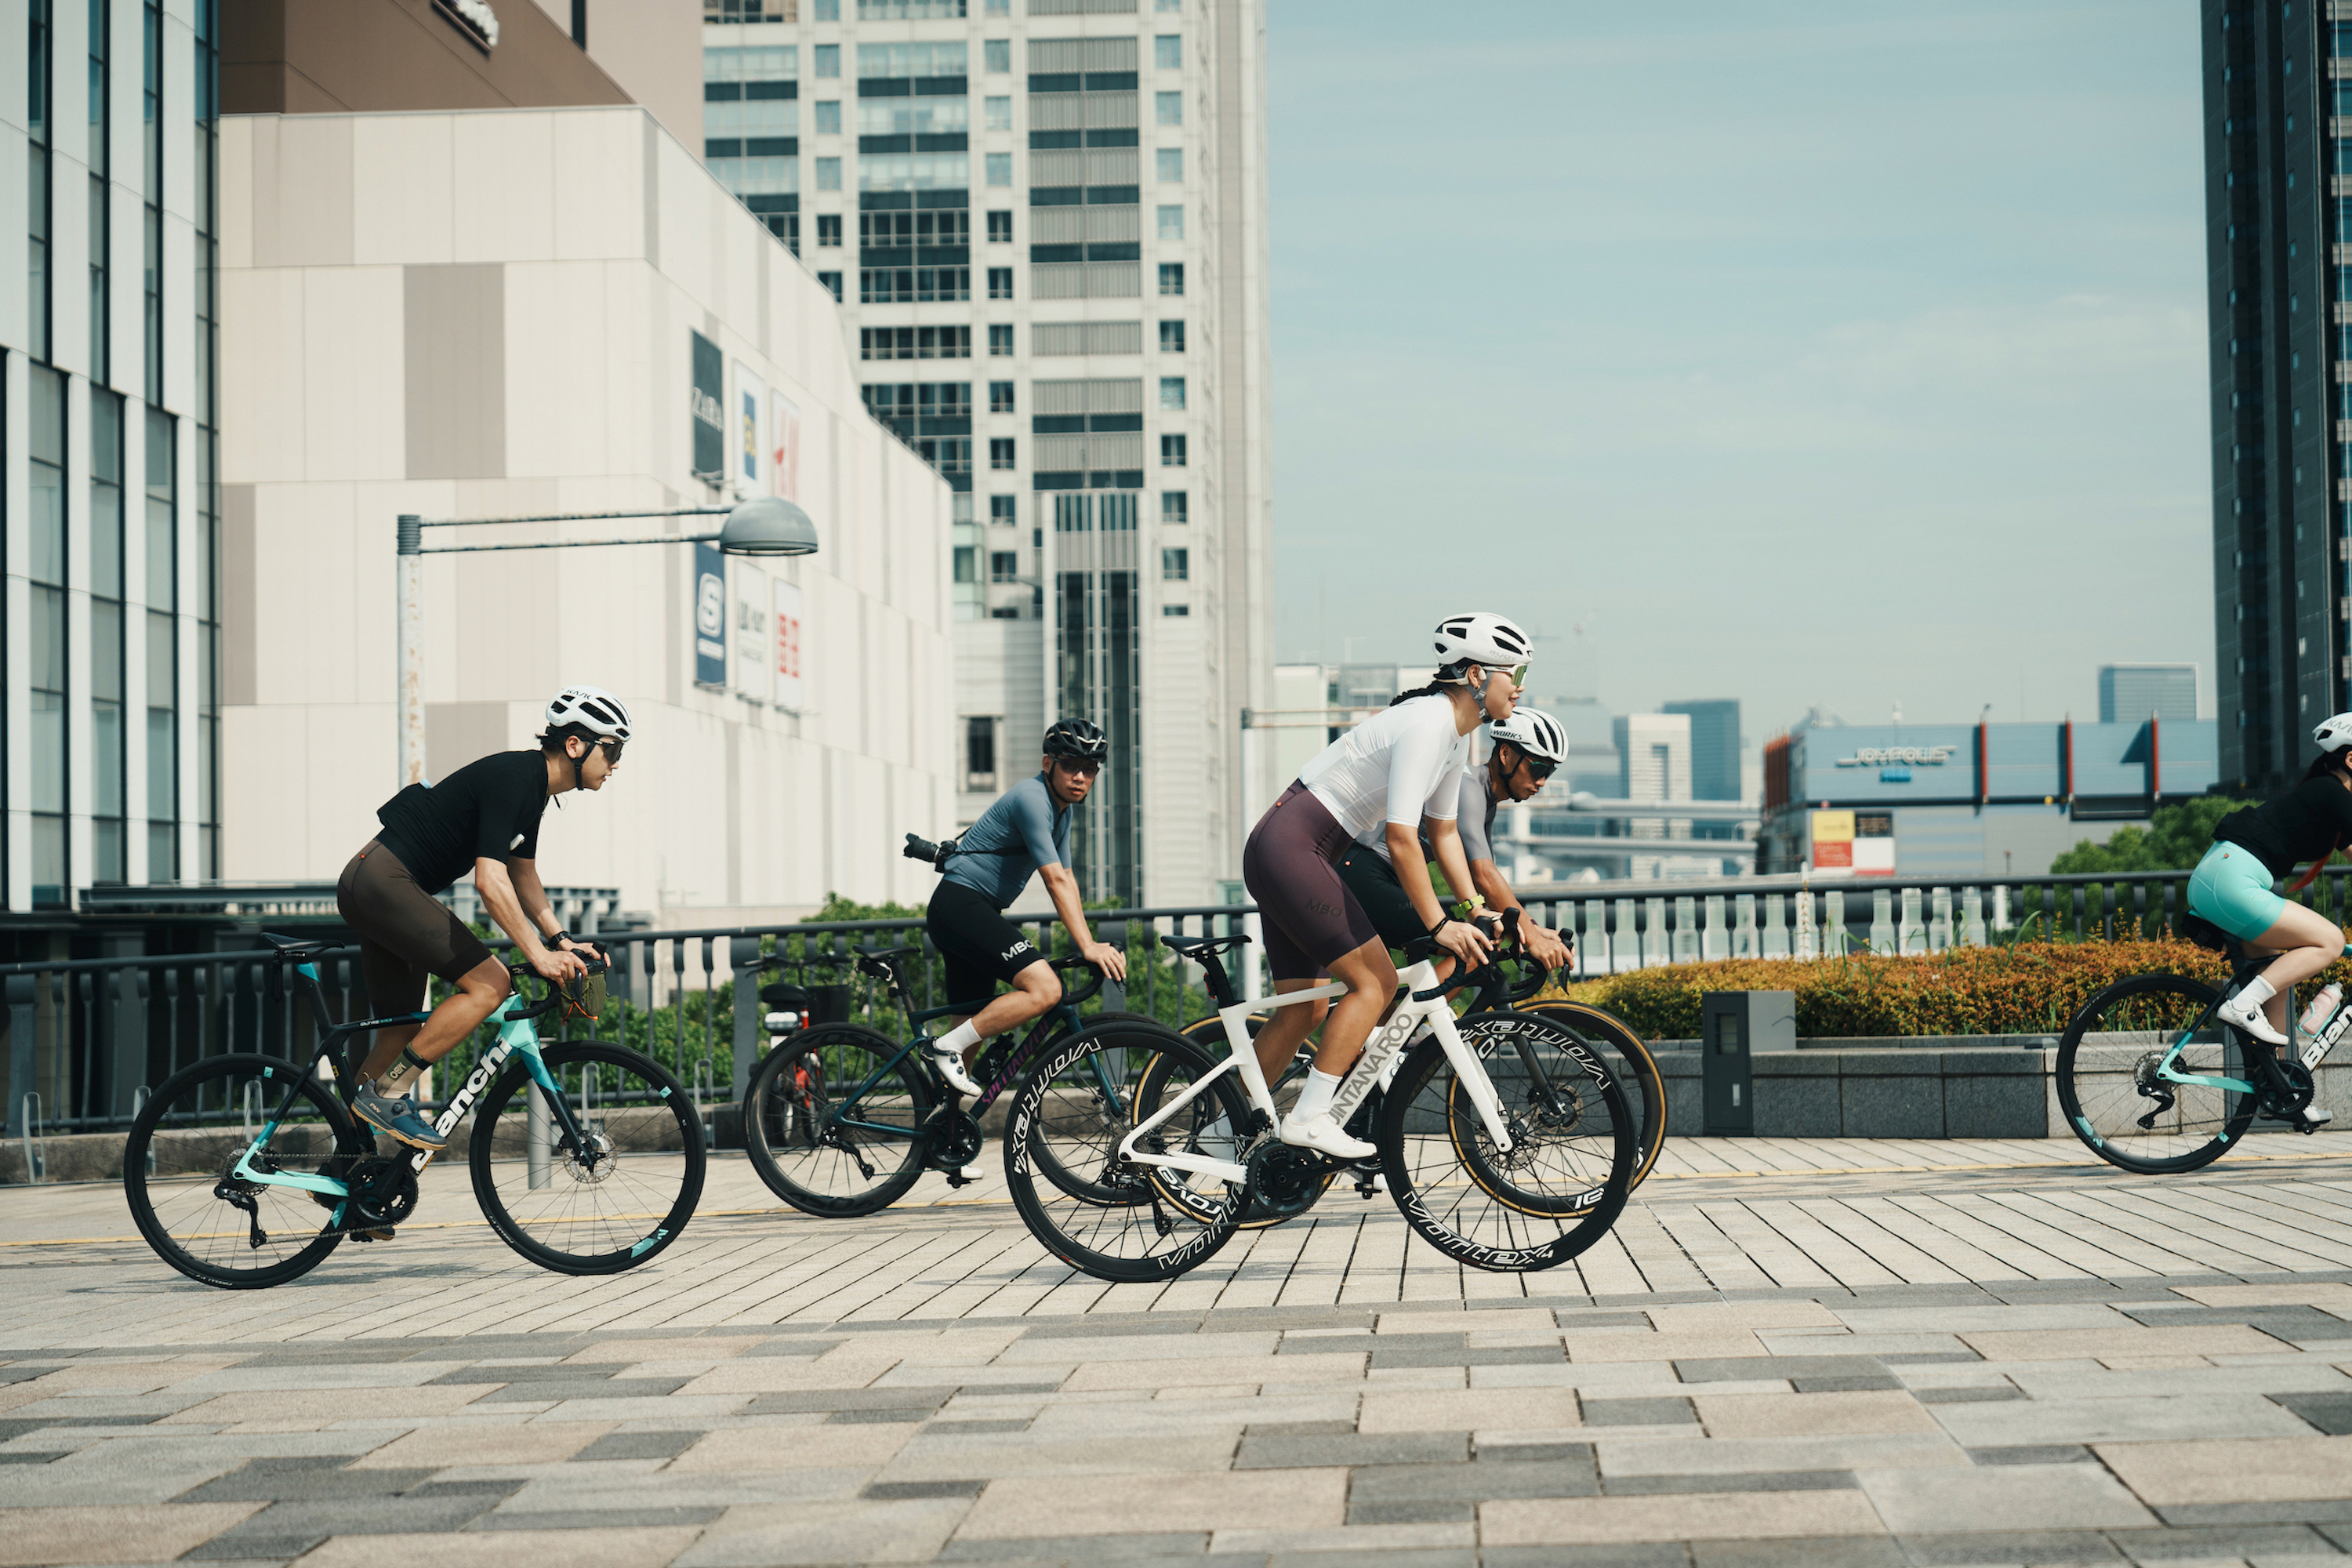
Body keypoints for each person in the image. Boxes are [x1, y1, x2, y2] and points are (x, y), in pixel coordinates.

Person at [1240, 612, 1531, 1160]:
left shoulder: (1455, 738)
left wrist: (1472, 909)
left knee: (1304, 1009)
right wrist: (1439, 925)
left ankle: (1221, 1131)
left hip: (1294, 848)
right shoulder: (1428, 724)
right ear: (1475, 675)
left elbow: (1443, 833)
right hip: (1293, 848)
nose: (1518, 687)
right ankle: (1310, 1118)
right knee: (1373, 982)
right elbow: (1401, 838)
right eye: (1511, 673)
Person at [335, 684, 623, 1152]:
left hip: (377, 885)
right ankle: (388, 1093)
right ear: (575, 745)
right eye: (612, 750)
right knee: (491, 985)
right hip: (383, 882)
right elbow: (490, 881)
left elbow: (522, 874)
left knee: (400, 1033)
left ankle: (349, 1164)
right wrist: (539, 956)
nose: (615, 764)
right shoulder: (517, 777)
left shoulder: (533, 788)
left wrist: (561, 940)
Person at [920, 719, 1130, 1098]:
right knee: (1046, 988)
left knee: (969, 1031)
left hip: (970, 910)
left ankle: (942, 1128)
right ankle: (944, 1047)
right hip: (962, 905)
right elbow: (1054, 880)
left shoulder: (1062, 810)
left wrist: (1088, 940)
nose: (1080, 777)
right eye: (1070, 766)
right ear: (1048, 764)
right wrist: (1088, 945)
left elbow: (1067, 877)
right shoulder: (1032, 798)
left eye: (1089, 769)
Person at [2186, 711, 2352, 1127]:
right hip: (2232, 879)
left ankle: (2280, 1090)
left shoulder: (2328, 798)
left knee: (2274, 979)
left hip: (2223, 876)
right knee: (2330, 941)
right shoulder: (2332, 792)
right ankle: (2242, 1004)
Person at [1338, 705, 1574, 975]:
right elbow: (1484, 874)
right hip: (1362, 873)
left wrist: (1532, 929)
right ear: (1506, 754)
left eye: (1549, 772)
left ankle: (1408, 1005)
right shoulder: (1469, 788)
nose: (1542, 781)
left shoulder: (1486, 801)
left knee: (1477, 944)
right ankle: (1411, 1006)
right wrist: (1532, 938)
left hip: (1380, 878)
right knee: (1474, 946)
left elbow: (1483, 885)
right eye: (1538, 768)